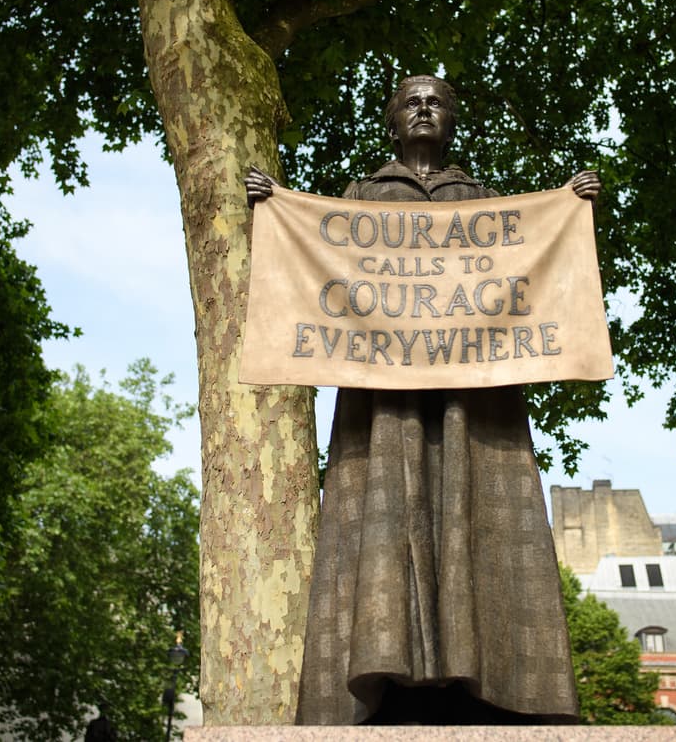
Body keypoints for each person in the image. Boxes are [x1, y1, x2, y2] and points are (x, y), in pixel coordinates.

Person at [246, 76, 599, 725]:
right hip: (384, 403)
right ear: (392, 119)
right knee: (387, 522)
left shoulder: (481, 199)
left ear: (453, 119)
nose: (425, 109)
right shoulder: (362, 195)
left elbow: (530, 257)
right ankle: (391, 678)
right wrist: (275, 209)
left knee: (470, 514)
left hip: (472, 398)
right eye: (411, 100)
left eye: (437, 101)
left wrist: (568, 207)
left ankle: (483, 679)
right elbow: (312, 257)